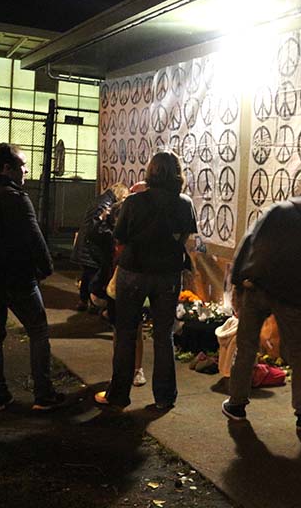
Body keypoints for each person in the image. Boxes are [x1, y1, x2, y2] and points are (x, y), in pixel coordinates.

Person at [222, 192, 301, 431]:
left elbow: (247, 242)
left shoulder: (277, 209)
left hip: (256, 286)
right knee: (299, 353)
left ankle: (236, 404)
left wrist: (237, 282)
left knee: (246, 346)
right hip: (291, 295)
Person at [0, 143, 64, 411]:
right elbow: (34, 237)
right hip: (18, 278)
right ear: (7, 168)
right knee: (38, 331)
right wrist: (46, 269)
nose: (26, 170)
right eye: (22, 165)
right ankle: (43, 395)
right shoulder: (17, 199)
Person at [95, 151, 196, 409]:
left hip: (133, 272)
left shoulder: (134, 202)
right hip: (168, 275)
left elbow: (120, 238)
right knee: (163, 336)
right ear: (178, 173)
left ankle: (118, 395)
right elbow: (184, 238)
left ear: (151, 171)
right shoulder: (184, 203)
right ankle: (165, 398)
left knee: (126, 333)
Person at [71, 183, 129, 312]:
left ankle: (84, 301)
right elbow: (97, 229)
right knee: (93, 277)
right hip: (91, 248)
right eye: (124, 196)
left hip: (87, 246)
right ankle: (92, 303)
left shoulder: (101, 200)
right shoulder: (105, 205)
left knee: (87, 275)